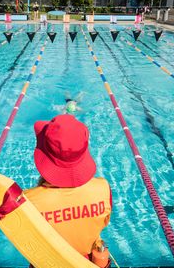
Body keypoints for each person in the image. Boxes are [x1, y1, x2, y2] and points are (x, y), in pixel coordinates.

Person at [24, 114, 113, 267]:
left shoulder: (27, 201)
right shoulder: (102, 189)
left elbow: (24, 239)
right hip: (91, 262)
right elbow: (103, 222)